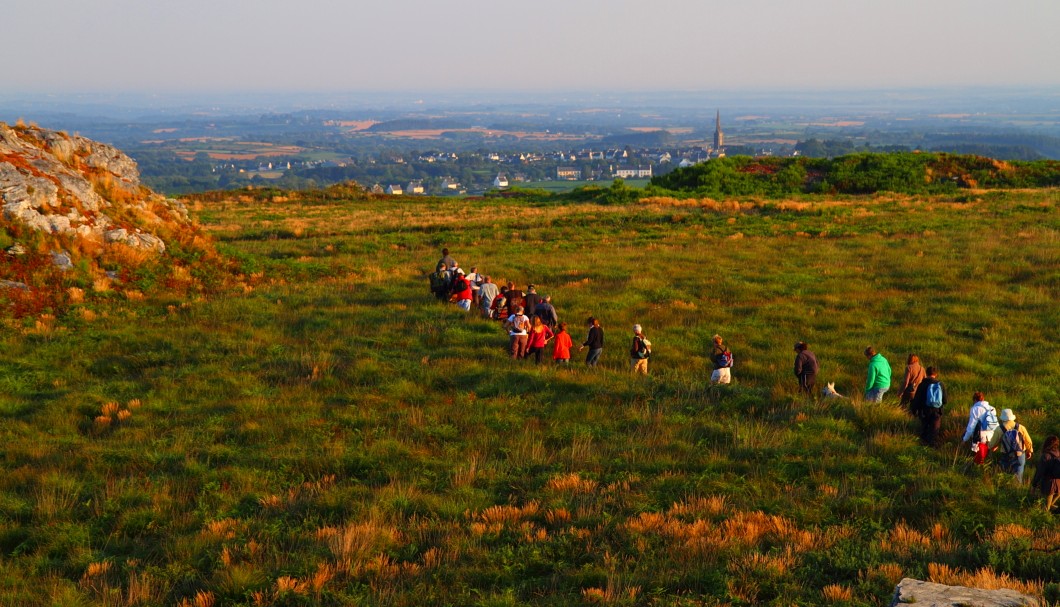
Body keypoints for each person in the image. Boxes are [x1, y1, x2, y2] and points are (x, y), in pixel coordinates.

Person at [910, 366, 946, 447]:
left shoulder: (922, 384)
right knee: (934, 430)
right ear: (936, 374)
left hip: (924, 411)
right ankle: (932, 446)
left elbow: (917, 399)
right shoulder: (940, 384)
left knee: (925, 429)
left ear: (926, 373)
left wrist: (914, 410)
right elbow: (945, 400)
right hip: (937, 411)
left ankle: (923, 446)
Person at [961, 391, 999, 465]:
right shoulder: (992, 408)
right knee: (988, 457)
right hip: (991, 435)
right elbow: (996, 424)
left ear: (975, 400)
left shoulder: (975, 409)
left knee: (979, 456)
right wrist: (996, 441)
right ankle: (988, 469)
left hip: (980, 436)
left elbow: (971, 427)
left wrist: (964, 439)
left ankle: (978, 468)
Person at [997, 409, 1034, 483]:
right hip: (1019, 455)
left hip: (1005, 455)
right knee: (1018, 478)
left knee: (1006, 477)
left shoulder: (999, 429)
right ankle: (1017, 491)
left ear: (1002, 418)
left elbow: (992, 443)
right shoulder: (1021, 427)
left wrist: (993, 446)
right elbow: (1028, 441)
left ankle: (1006, 490)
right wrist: (1029, 451)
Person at [1031, 435, 1060, 510]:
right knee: (1050, 505)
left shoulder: (1045, 456)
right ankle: (1052, 510)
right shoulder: (1058, 453)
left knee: (1046, 508)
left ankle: (1045, 516)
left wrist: (1034, 485)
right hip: (1058, 484)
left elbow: (1039, 472)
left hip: (1048, 484)